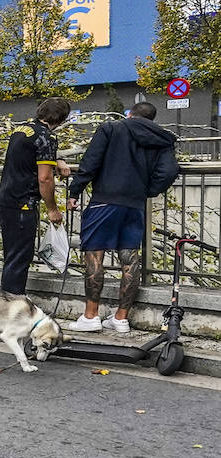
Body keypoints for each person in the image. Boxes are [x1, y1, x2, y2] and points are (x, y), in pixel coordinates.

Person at [65, 101, 180, 332]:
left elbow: (91, 162)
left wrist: (75, 191)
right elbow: (168, 171)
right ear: (151, 120)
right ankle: (120, 319)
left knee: (94, 256)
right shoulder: (163, 140)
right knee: (130, 259)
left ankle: (90, 316)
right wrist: (148, 191)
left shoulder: (111, 129)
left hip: (105, 201)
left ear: (129, 115)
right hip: (135, 205)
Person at [0, 98, 72, 295]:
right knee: (20, 256)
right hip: (23, 203)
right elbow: (45, 178)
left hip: (6, 198)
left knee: (12, 253)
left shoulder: (21, 129)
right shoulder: (47, 138)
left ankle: (10, 301)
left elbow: (30, 154)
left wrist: (58, 159)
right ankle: (13, 304)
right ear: (61, 120)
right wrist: (52, 209)